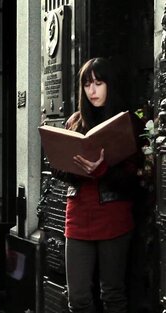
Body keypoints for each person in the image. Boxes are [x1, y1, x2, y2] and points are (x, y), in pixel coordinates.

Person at [56, 57, 145, 313]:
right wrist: (77, 169)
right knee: (78, 298)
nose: (92, 90)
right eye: (87, 84)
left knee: (113, 295)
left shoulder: (127, 122)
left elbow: (137, 179)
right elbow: (58, 169)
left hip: (114, 217)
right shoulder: (74, 122)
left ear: (110, 84)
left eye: (98, 83)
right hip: (78, 218)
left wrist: (103, 170)